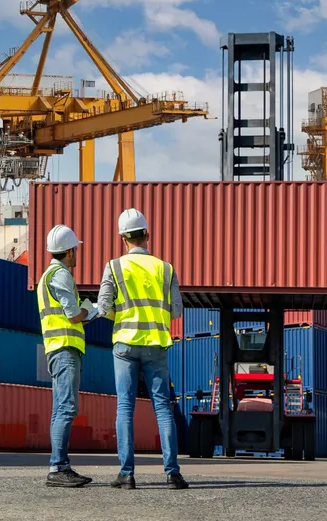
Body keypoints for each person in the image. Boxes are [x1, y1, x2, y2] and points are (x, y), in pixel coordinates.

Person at [97, 208, 189, 490]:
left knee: (125, 406)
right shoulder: (165, 268)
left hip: (125, 343)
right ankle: (172, 473)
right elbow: (176, 311)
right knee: (162, 407)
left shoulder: (113, 267)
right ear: (147, 235)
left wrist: (122, 317)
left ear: (123, 238)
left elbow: (103, 307)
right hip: (155, 347)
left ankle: (127, 474)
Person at [37, 224, 97, 488]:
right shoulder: (61, 275)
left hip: (56, 348)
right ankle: (59, 467)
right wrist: (88, 309)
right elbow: (73, 315)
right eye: (75, 249)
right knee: (67, 407)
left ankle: (58, 464)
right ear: (70, 251)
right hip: (64, 349)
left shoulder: (46, 276)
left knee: (59, 408)